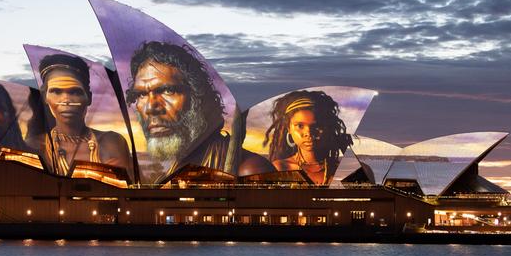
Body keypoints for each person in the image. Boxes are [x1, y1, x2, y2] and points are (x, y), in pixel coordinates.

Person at [125, 41, 274, 183]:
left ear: (198, 97)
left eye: (168, 90)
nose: (150, 107)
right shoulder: (171, 173)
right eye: (141, 94)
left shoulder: (249, 169)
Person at [29, 54, 131, 176]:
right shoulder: (34, 147)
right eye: (56, 91)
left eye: (75, 92)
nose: (66, 100)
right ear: (45, 97)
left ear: (89, 97)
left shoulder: (112, 142)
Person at [264, 90, 352, 185]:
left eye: (317, 126)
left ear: (326, 127)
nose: (308, 133)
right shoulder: (279, 168)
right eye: (300, 126)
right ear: (289, 128)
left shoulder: (340, 169)